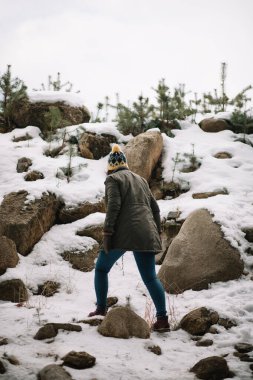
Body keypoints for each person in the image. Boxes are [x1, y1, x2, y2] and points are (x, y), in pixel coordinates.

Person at [88, 144, 170, 332]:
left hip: (123, 233)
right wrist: (156, 231)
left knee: (101, 269)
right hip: (146, 232)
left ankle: (101, 309)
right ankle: (162, 320)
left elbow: (114, 206)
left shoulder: (113, 179)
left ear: (110, 168)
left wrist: (107, 233)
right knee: (150, 278)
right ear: (125, 165)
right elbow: (155, 208)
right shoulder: (141, 180)